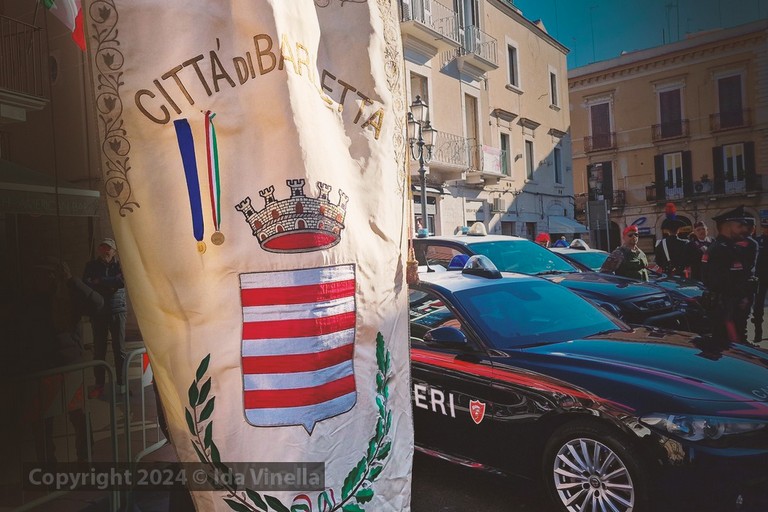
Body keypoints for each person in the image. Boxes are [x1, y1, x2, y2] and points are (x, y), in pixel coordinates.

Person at [21, 258, 104, 464]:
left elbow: (98, 303)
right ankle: (48, 467)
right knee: (42, 424)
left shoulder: (67, 298)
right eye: (38, 276)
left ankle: (85, 460)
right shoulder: (29, 302)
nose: (43, 279)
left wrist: (71, 281)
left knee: (78, 417)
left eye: (48, 275)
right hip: (43, 370)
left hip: (69, 369)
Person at [701, 205, 754, 345]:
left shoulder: (730, 247)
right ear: (726, 226)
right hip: (727, 308)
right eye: (740, 225)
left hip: (733, 307)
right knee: (733, 346)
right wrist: (741, 297)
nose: (744, 229)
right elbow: (718, 282)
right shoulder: (720, 249)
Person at [83, 238, 128, 397]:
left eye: (108, 248)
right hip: (99, 312)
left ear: (114, 250)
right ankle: (99, 385)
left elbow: (122, 281)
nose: (104, 252)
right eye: (102, 248)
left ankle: (122, 384)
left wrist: (101, 280)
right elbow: (87, 283)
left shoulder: (120, 265)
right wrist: (110, 283)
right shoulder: (91, 266)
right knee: (99, 349)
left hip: (117, 309)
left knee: (119, 349)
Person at [753, 218, 768, 343]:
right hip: (761, 278)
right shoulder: (758, 241)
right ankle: (758, 333)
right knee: (758, 306)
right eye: (766, 227)